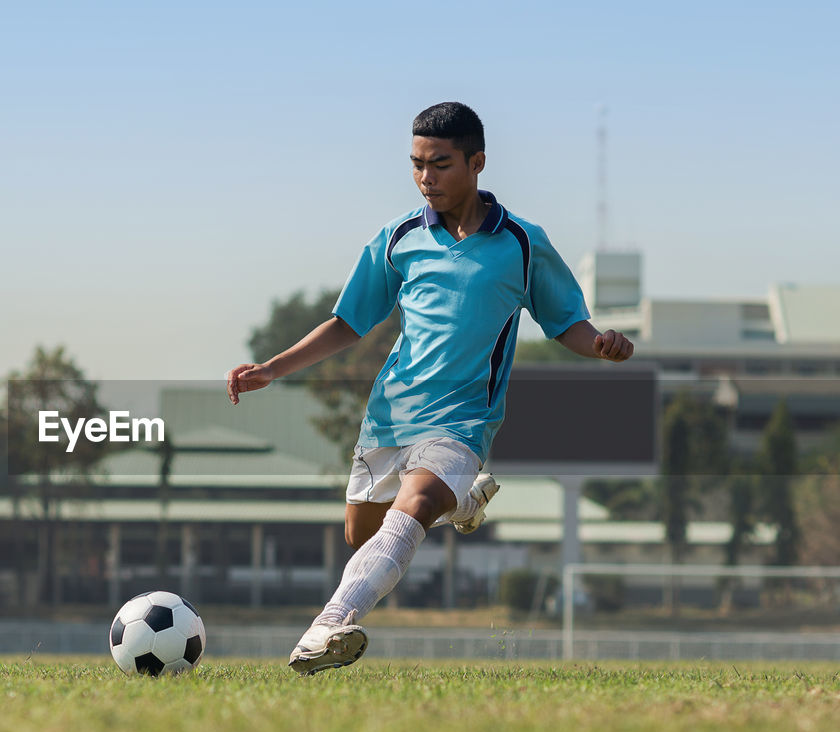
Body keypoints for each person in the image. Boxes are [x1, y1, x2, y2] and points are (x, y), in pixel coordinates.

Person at [225, 102, 634, 675]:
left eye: (439, 164)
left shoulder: (520, 242)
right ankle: (464, 498)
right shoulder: (397, 239)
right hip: (390, 416)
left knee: (415, 505)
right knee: (361, 536)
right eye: (416, 165)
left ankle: (327, 626)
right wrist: (275, 367)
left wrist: (598, 345)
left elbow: (565, 320)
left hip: (464, 418)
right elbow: (348, 323)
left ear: (477, 162)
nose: (425, 178)